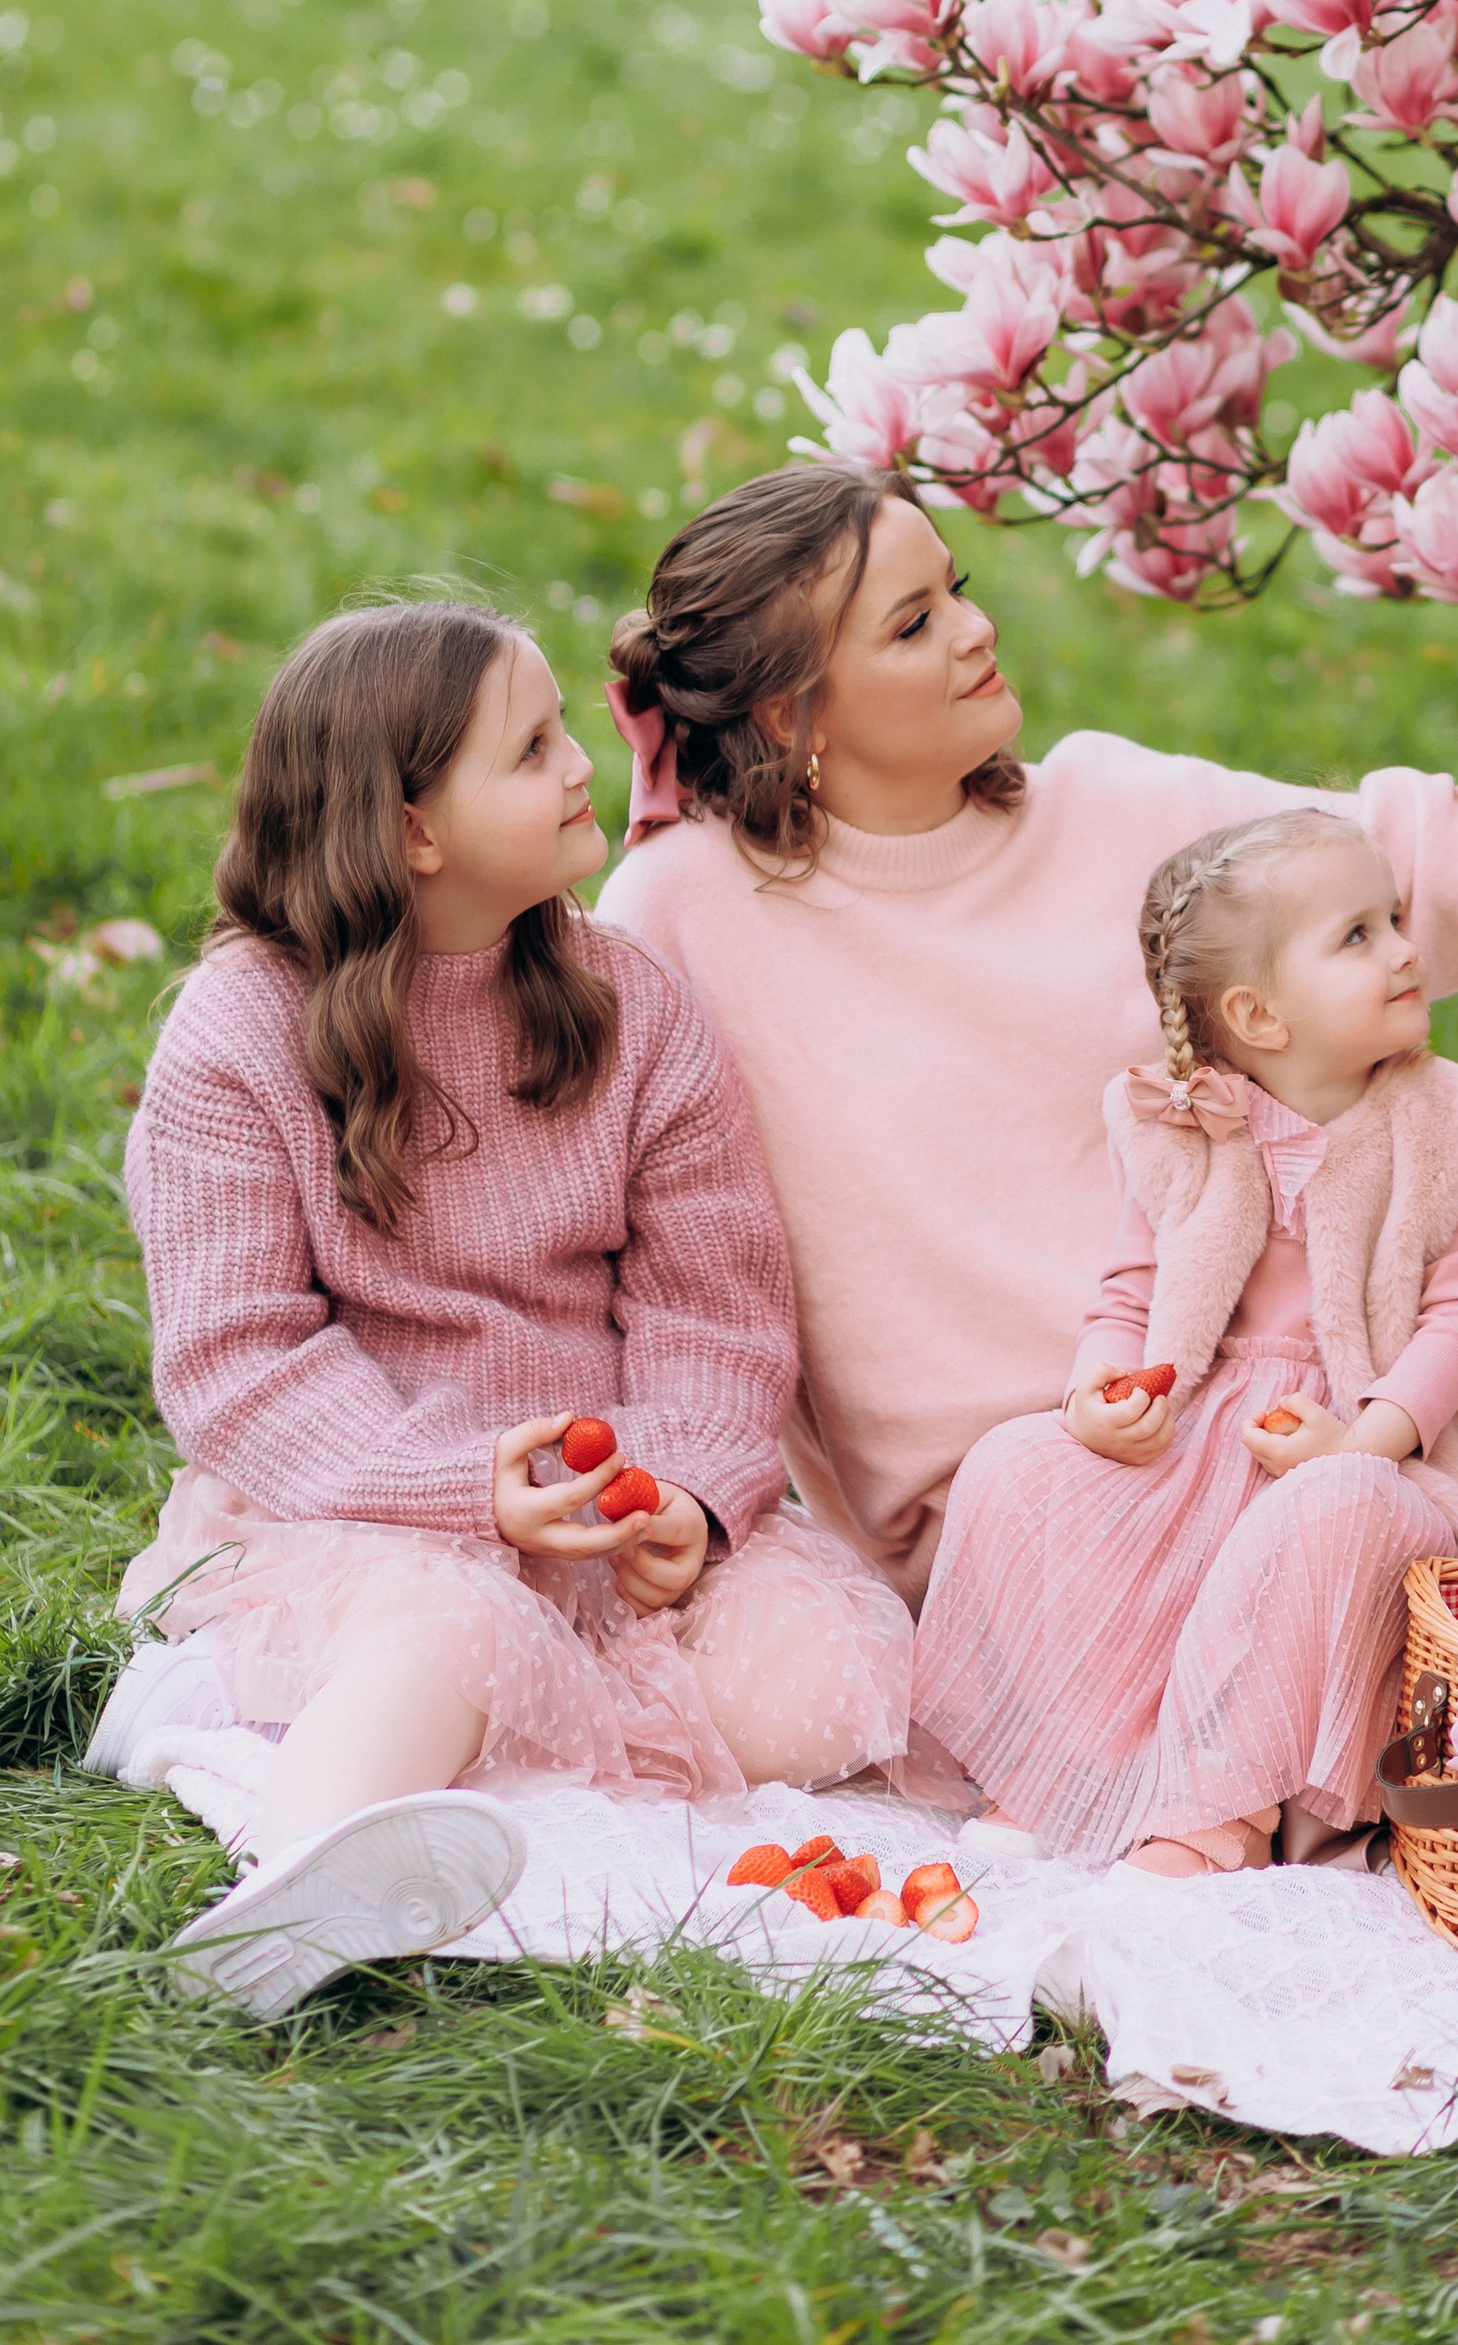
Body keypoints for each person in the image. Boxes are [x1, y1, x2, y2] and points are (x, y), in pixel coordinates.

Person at [597, 464, 1458, 1605]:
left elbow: (1454, 859)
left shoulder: (1111, 812)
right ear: (792, 716)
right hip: (1011, 1515)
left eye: (954, 587)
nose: (974, 629)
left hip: (1279, 1435)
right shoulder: (679, 914)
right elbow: (581, 1225)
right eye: (911, 626)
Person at [97, 599, 910, 2015]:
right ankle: (282, 1902)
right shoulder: (240, 1033)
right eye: (531, 749)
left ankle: (452, 1772)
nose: (586, 761)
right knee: (445, 1635)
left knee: (820, 1676)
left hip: (605, 1510)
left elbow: (715, 1313)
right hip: (361, 1508)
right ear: (415, 831)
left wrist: (686, 1501)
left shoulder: (630, 1008)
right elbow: (239, 1361)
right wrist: (463, 1490)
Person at [914, 806, 1458, 1870]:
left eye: (1393, 917)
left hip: (1378, 1444)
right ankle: (1063, 1767)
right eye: (1356, 935)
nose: (1403, 947)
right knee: (1018, 1468)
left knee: (1328, 1513)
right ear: (1259, 1015)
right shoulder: (1181, 1124)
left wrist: (1362, 1444)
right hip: (1210, 1419)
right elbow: (1130, 1289)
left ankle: (1219, 1812)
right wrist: (1098, 1393)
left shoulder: (1454, 1126)